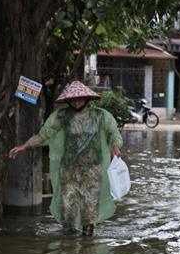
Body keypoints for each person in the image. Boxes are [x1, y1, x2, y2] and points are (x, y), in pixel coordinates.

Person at [8, 81, 123, 236]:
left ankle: (87, 250)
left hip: (93, 171)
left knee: (89, 212)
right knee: (68, 209)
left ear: (87, 98)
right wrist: (25, 146)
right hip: (68, 171)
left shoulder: (101, 116)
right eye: (73, 99)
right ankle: (68, 251)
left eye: (80, 98)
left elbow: (113, 133)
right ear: (68, 101)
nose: (76, 102)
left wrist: (115, 146)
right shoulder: (62, 117)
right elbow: (45, 135)